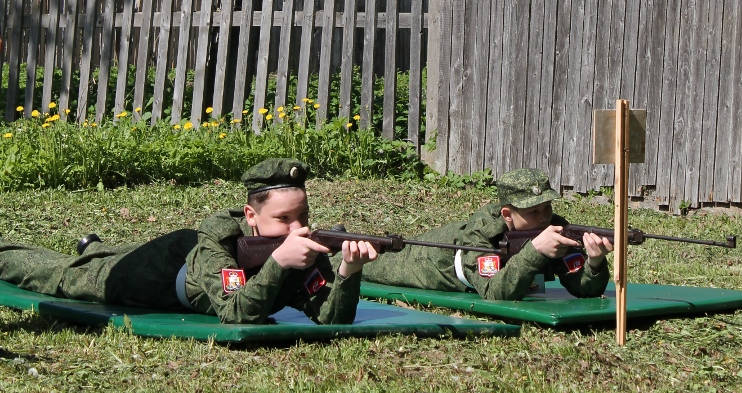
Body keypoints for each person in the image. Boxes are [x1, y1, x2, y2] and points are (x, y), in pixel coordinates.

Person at [0, 158, 378, 324]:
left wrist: (349, 269)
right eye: (282, 219)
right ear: (251, 216)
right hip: (164, 269)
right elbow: (236, 314)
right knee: (66, 277)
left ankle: (96, 246)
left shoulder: (306, 246)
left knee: (102, 256)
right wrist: (279, 262)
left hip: (189, 265)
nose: (297, 228)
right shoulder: (222, 239)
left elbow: (332, 319)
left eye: (303, 216)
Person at [355, 168, 613, 300]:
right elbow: (493, 292)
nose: (544, 217)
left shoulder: (555, 227)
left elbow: (585, 290)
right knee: (367, 262)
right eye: (532, 212)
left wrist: (595, 261)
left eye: (547, 207)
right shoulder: (481, 234)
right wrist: (535, 251)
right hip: (430, 260)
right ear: (507, 214)